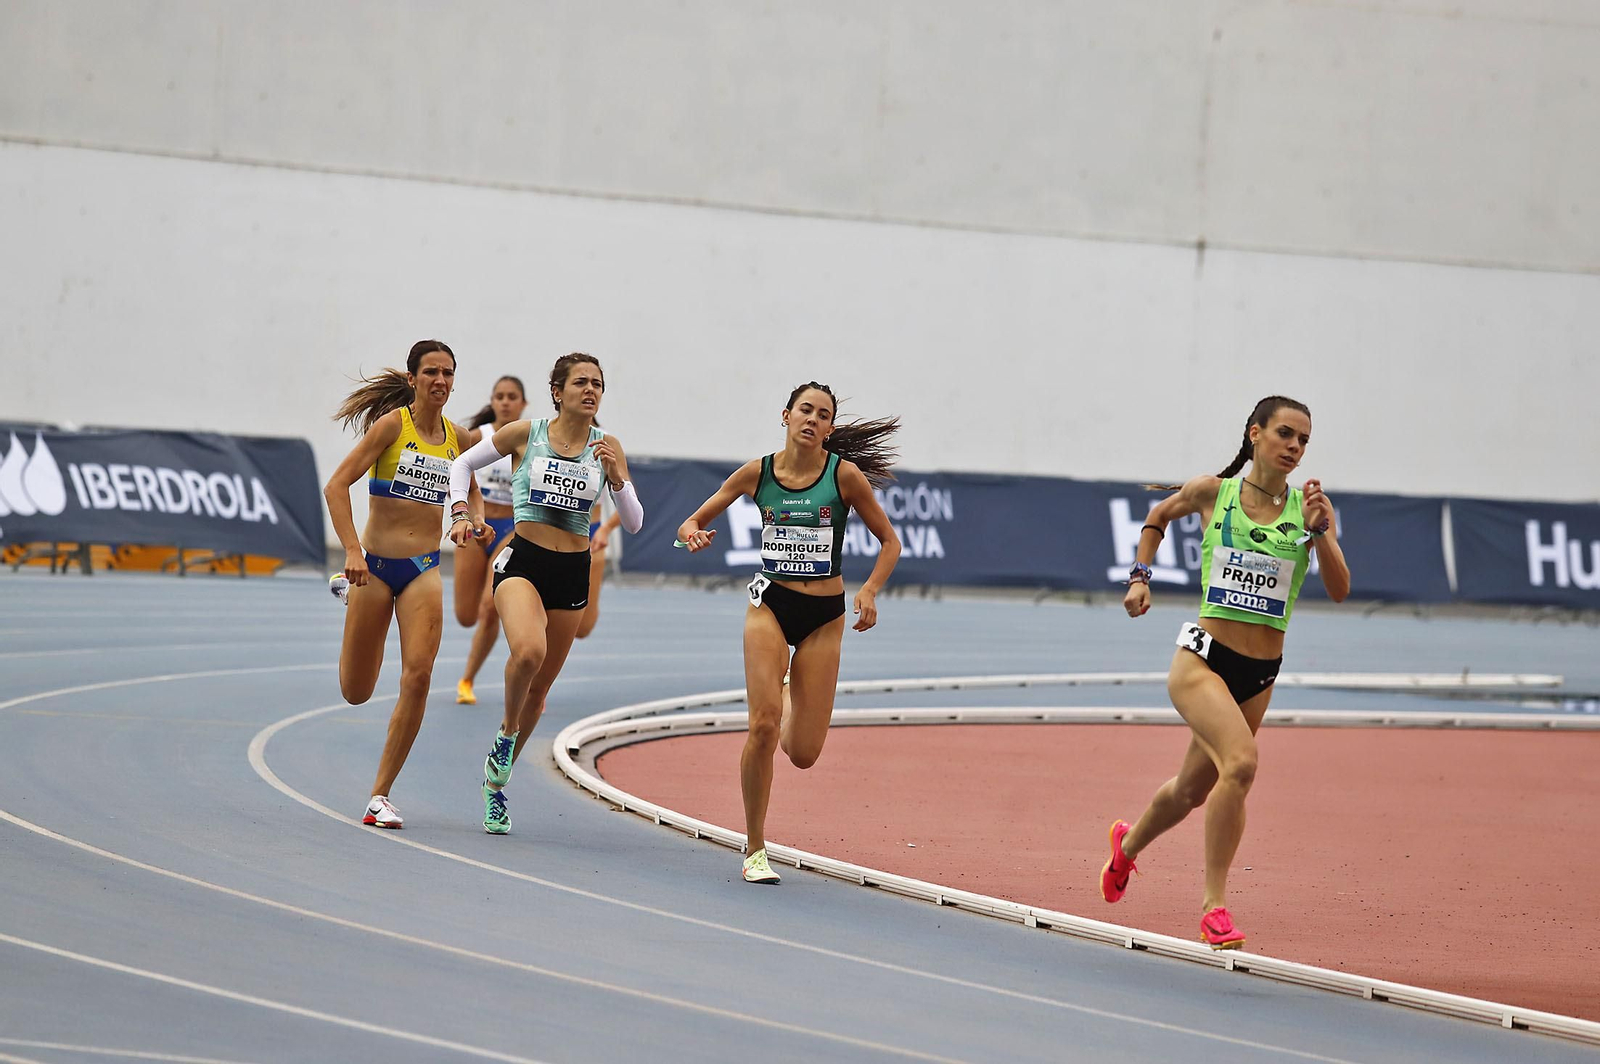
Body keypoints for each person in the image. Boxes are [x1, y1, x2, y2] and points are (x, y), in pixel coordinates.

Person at [1102, 395, 1350, 949]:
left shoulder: (1310, 509)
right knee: (1241, 764)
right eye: (1286, 434)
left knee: (1192, 789)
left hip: (1259, 674)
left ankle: (1127, 846)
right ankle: (1214, 906)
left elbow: (1339, 589)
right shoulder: (1215, 493)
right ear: (1255, 433)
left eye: (1304, 440)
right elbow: (1156, 518)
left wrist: (1317, 533)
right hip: (1202, 661)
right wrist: (1140, 578)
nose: (1295, 447)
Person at [676, 382, 901, 885]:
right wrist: (691, 532)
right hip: (771, 607)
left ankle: (783, 688)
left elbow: (890, 542)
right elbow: (694, 517)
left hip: (825, 616)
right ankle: (755, 848)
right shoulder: (758, 472)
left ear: (830, 428)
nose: (812, 420)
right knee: (762, 726)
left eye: (823, 415)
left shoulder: (844, 477)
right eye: (805, 410)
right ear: (785, 415)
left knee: (802, 753)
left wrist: (869, 591)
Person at [447, 353, 644, 834]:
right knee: (529, 651)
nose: (590, 390)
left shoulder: (607, 445)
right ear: (558, 391)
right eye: (580, 382)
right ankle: (507, 733)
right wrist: (458, 510)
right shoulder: (525, 434)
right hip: (524, 560)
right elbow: (462, 464)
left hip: (572, 571)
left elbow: (635, 523)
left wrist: (617, 478)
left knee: (539, 693)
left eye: (598, 383)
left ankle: (497, 780)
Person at [324, 340, 486, 829]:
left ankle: (380, 795)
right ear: (414, 378)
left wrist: (469, 521)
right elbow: (336, 486)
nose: (441, 381)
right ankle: (347, 587)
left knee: (418, 676)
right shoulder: (392, 426)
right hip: (372, 568)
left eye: (449, 373)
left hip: (423, 570)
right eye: (432, 372)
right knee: (356, 691)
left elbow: (474, 494)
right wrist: (352, 551)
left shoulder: (460, 440)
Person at [455, 375, 529, 704]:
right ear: (492, 401)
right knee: (465, 615)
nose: (505, 402)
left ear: (523, 403)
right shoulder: (477, 437)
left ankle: (467, 680)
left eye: (512, 396)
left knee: (489, 608)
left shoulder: (532, 439)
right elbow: (455, 470)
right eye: (499, 396)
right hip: (476, 526)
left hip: (512, 529)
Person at [576, 493, 622, 640]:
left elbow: (630, 501)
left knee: (583, 627)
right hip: (548, 533)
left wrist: (606, 528)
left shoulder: (606, 468)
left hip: (590, 535)